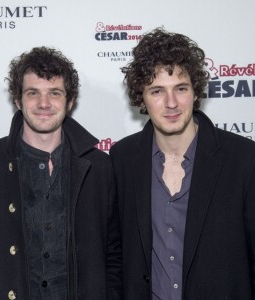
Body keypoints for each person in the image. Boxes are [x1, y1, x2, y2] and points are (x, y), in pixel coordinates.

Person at [0, 46, 121, 300]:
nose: (44, 104)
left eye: (54, 93)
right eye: (33, 93)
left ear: (70, 100)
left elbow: (115, 253)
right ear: (18, 100)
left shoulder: (99, 167)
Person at [110, 27, 255, 300]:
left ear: (195, 91)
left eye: (181, 88)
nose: (171, 103)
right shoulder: (123, 159)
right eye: (157, 91)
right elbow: (115, 256)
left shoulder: (244, 159)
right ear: (141, 97)